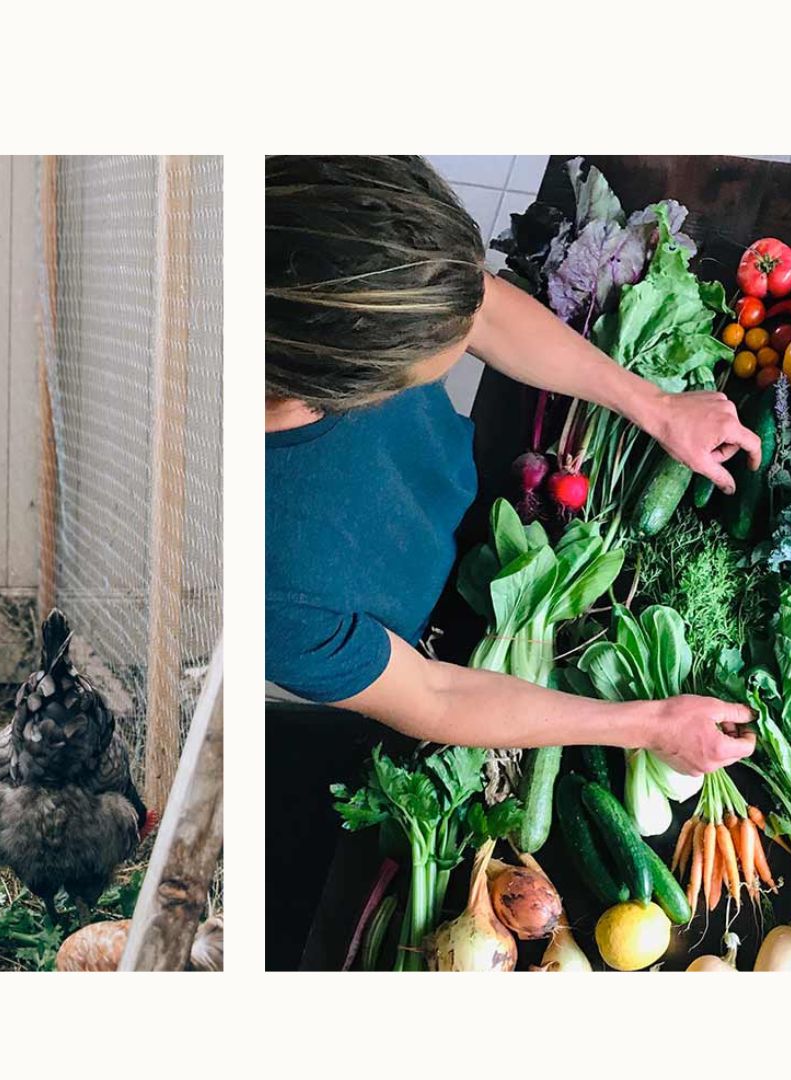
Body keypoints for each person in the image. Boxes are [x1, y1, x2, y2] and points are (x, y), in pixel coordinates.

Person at [265, 155, 758, 777]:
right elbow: (435, 695)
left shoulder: (303, 233)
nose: (470, 325)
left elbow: (487, 309)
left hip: (465, 503)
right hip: (425, 641)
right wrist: (647, 725)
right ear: (355, 387)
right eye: (438, 352)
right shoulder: (267, 592)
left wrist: (657, 408)